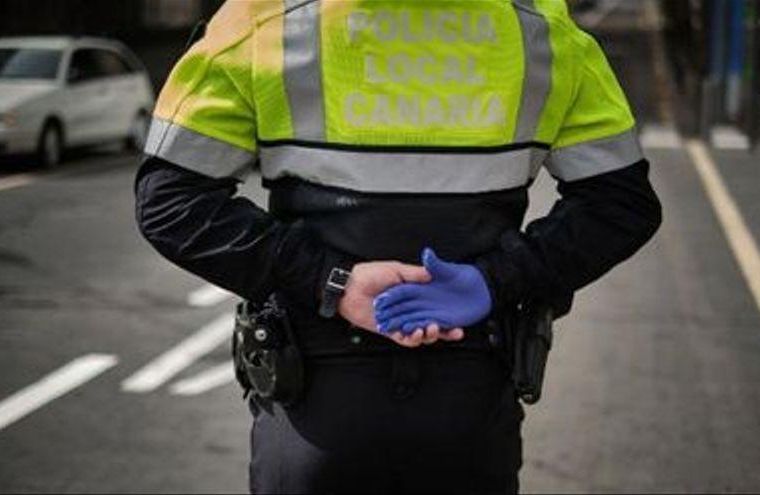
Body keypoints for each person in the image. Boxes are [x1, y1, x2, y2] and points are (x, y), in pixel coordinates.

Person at [135, 1, 661, 493]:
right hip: (470, 405)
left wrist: (331, 281)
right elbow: (619, 203)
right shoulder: (537, 27)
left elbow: (171, 201)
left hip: (313, 409)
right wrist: (494, 279)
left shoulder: (267, 18)